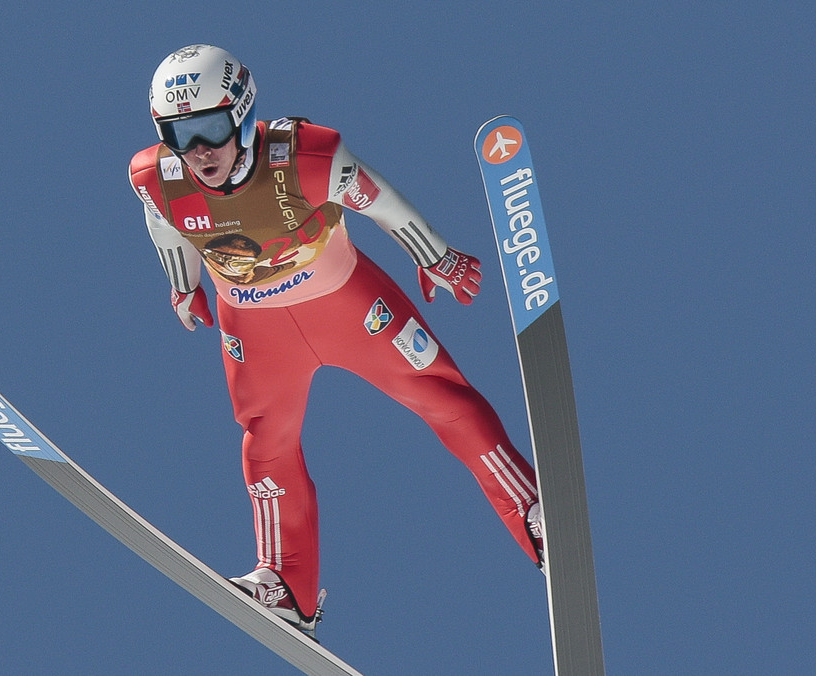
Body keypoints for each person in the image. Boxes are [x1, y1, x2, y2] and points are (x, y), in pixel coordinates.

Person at [128, 44, 543, 634]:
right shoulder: (155, 176)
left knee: (445, 400)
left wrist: (437, 257)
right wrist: (182, 285)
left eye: (209, 129)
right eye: (178, 134)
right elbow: (162, 221)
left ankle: (530, 512)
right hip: (256, 326)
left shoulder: (305, 157)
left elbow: (381, 202)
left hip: (348, 306)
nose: (198, 152)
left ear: (242, 113)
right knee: (266, 442)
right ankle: (284, 585)